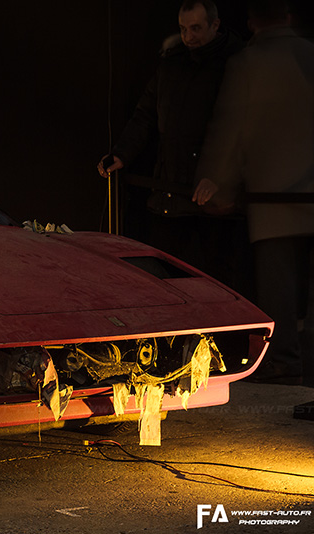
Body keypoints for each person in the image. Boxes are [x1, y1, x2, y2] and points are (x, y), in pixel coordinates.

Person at [193, 0, 314, 385]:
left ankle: (286, 363)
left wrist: (217, 183)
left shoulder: (248, 63)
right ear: (289, 15)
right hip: (310, 193)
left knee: (279, 286)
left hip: (272, 196)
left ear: (251, 22)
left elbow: (230, 129)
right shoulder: (311, 55)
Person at [96, 0, 245, 289]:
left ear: (215, 25)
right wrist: (122, 154)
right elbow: (145, 115)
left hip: (211, 202)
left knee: (214, 284)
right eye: (183, 29)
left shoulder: (235, 65)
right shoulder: (173, 64)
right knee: (167, 281)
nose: (189, 36)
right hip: (171, 194)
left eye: (196, 28)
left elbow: (241, 129)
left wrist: (222, 178)